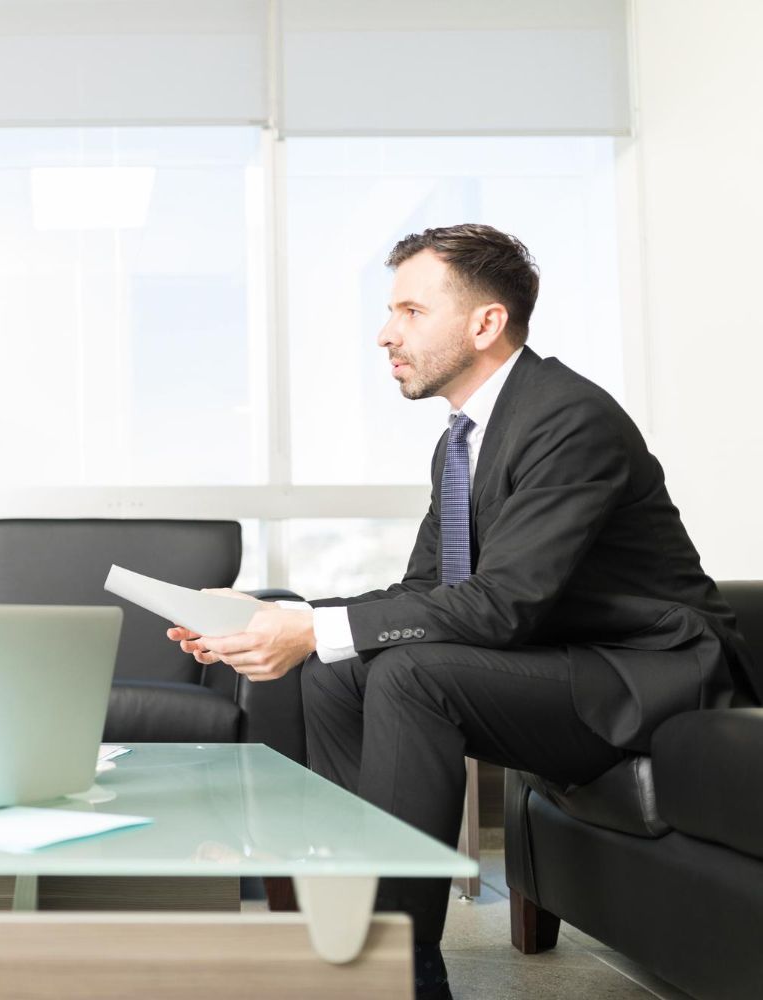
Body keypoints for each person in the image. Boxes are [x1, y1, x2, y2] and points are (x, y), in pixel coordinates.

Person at [166, 224, 751, 1000]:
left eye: (409, 311)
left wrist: (311, 629)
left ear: (485, 323)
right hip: (564, 658)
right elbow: (423, 593)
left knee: (410, 676)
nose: (385, 334)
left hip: (652, 673)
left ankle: (401, 974)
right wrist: (285, 619)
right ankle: (347, 934)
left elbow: (503, 605)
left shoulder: (569, 420)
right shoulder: (461, 442)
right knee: (336, 674)